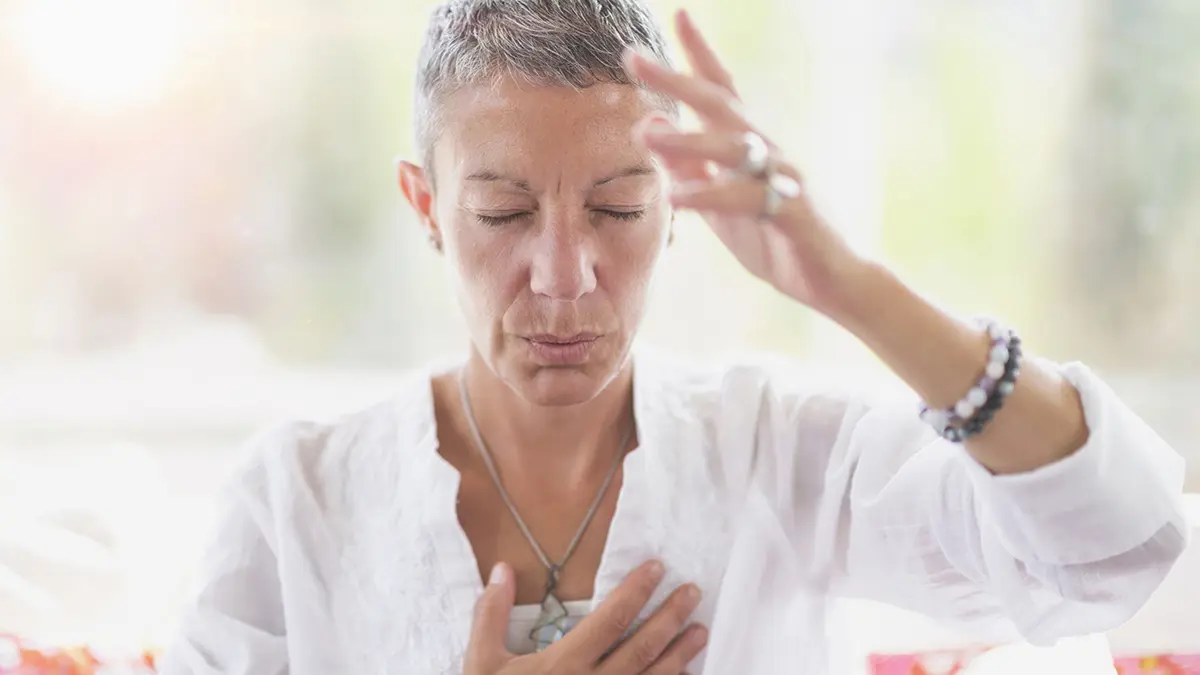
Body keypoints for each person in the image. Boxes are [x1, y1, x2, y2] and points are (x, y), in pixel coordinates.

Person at [158, 1, 1190, 674]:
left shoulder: (780, 455)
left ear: (677, 205)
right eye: (505, 212)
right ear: (425, 205)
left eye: (614, 207)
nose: (565, 276)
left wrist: (848, 284)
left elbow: (1113, 546)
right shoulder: (296, 502)